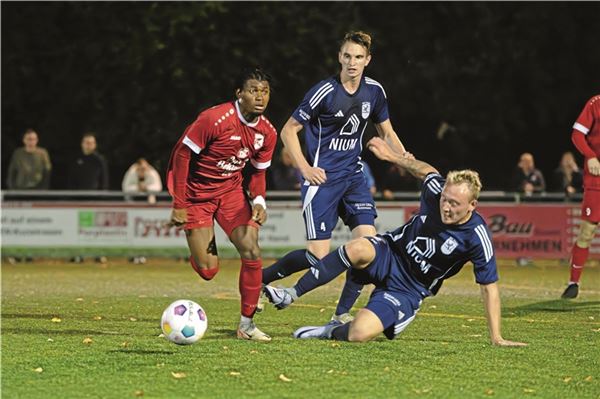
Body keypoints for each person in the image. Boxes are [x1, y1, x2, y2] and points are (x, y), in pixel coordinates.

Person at [263, 137, 527, 347]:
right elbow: (426, 171)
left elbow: (489, 287)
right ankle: (291, 294)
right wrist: (392, 156)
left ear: (472, 205)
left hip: (409, 287)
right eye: (445, 199)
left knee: (359, 333)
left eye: (454, 204)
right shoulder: (437, 192)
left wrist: (497, 337)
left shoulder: (477, 236)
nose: (445, 206)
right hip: (390, 252)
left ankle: (332, 330)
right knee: (359, 246)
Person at [261, 31, 410, 324]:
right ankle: (260, 280)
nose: (352, 62)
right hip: (323, 181)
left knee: (367, 247)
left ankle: (341, 314)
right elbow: (288, 130)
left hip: (354, 177)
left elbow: (387, 131)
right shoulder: (324, 92)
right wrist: (304, 168)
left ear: (368, 60)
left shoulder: (375, 92)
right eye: (347, 56)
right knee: (318, 255)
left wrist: (406, 160)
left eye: (358, 57)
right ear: (339, 57)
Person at [166, 67, 277, 341]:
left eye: (264, 91)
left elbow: (259, 172)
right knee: (208, 271)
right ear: (239, 94)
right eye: (253, 90)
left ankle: (247, 326)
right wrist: (179, 203)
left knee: (251, 249)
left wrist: (260, 200)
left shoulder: (267, 132)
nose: (259, 97)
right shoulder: (214, 119)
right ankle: (199, 250)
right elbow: (182, 155)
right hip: (196, 196)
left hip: (231, 194)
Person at [561, 94, 600, 299]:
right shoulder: (596, 104)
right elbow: (577, 134)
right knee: (586, 232)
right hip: (596, 182)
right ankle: (573, 282)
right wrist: (591, 155)